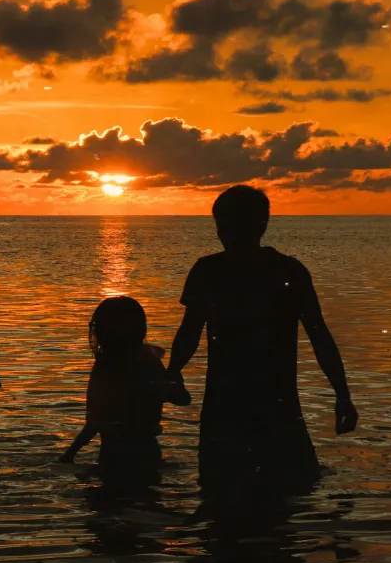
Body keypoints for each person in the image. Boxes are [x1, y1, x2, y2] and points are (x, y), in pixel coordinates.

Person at [167, 185, 357, 498]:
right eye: (222, 227)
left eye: (232, 226)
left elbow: (319, 335)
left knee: (276, 492)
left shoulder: (286, 273)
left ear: (261, 227)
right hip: (230, 406)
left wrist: (343, 395)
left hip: (270, 406)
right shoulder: (210, 271)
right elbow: (189, 331)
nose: (227, 235)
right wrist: (173, 371)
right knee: (236, 493)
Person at [59, 296, 191, 482]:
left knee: (109, 502)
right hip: (148, 451)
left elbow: (95, 420)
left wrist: (69, 455)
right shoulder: (150, 360)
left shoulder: (107, 365)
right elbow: (183, 399)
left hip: (114, 454)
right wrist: (173, 378)